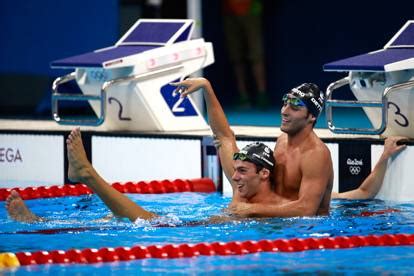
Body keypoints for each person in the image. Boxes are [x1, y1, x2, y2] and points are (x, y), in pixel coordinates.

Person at [221, 0, 269, 109]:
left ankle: (262, 94)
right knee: (236, 56)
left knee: (256, 55)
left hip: (251, 9)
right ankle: (243, 96)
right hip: (230, 11)